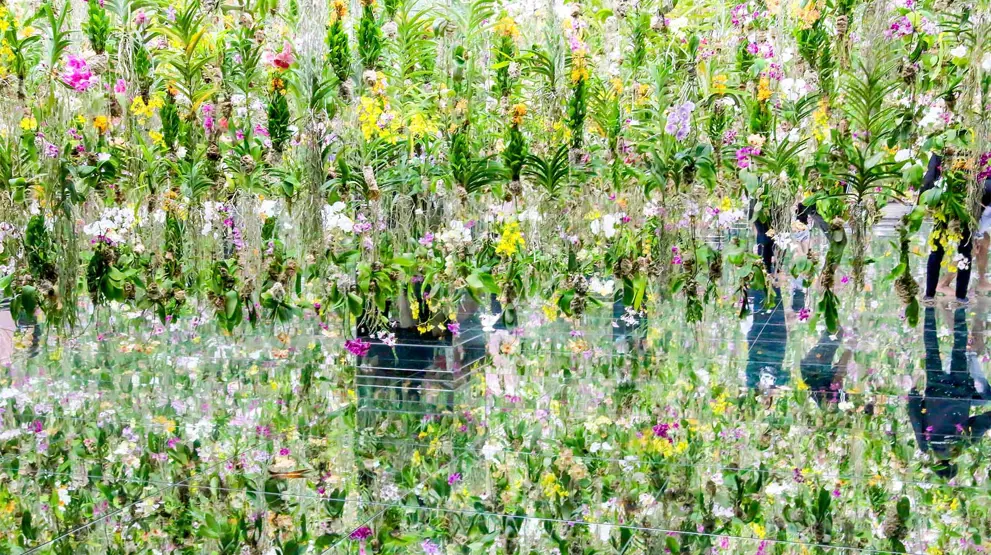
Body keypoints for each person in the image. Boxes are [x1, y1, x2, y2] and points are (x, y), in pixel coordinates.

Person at [908, 306, 991, 478]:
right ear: (936, 464)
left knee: (959, 349)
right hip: (935, 392)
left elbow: (982, 423)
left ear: (953, 464)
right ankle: (929, 307)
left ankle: (960, 306)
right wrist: (914, 392)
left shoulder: (962, 445)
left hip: (960, 393)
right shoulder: (926, 445)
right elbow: (915, 418)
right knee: (931, 350)